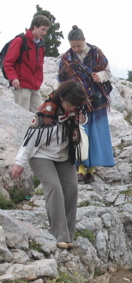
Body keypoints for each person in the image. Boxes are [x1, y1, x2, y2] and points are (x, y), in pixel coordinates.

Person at [11, 81, 88, 250]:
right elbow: (30, 140)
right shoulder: (45, 113)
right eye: (69, 104)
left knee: (72, 189)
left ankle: (68, 234)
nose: (72, 108)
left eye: (75, 106)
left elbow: (82, 119)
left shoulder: (75, 111)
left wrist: (80, 116)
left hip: (63, 156)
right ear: (61, 98)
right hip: (41, 156)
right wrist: (19, 163)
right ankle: (59, 235)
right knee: (54, 188)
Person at [58, 25, 115, 185]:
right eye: (73, 46)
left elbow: (108, 72)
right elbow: (62, 78)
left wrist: (100, 76)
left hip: (96, 103)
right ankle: (81, 170)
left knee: (95, 137)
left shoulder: (96, 53)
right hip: (77, 103)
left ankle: (91, 170)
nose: (76, 49)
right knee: (80, 136)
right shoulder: (66, 58)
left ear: (84, 40)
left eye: (78, 45)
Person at [3, 15, 50, 113]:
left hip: (35, 86)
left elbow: (39, 66)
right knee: (22, 116)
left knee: (38, 117)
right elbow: (8, 62)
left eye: (46, 30)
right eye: (43, 29)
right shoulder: (20, 41)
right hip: (21, 86)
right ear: (35, 27)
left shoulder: (40, 44)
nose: (45, 33)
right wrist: (13, 78)